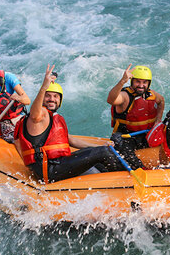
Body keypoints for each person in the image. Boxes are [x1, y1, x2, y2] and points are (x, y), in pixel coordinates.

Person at [14, 65, 143, 184]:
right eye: (48, 96)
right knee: (103, 153)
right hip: (50, 169)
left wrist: (97, 146)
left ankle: (112, 181)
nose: (52, 99)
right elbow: (34, 114)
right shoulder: (40, 114)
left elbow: (71, 140)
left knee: (99, 155)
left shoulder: (54, 117)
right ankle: (131, 178)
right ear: (42, 98)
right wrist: (44, 87)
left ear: (60, 100)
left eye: (55, 96)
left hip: (56, 164)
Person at [107, 64, 165, 150]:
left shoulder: (152, 94)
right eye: (138, 81)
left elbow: (161, 101)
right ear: (132, 81)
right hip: (127, 137)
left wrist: (157, 121)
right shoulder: (125, 96)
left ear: (149, 83)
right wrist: (122, 81)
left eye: (144, 82)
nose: (141, 85)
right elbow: (111, 100)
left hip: (146, 135)